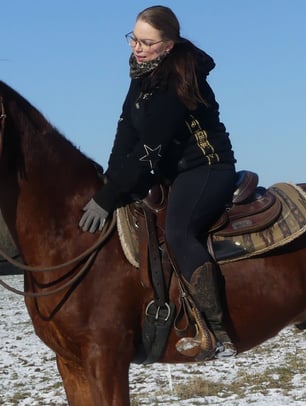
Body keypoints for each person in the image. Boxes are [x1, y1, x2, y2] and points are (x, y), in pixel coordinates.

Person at [79, 5, 238, 359]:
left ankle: (216, 331)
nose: (136, 47)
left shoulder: (177, 78)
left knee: (179, 232)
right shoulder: (141, 74)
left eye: (146, 42)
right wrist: (110, 181)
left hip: (206, 168)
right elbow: (126, 133)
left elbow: (151, 147)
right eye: (133, 38)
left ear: (168, 45)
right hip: (171, 170)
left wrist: (110, 196)